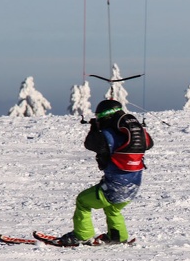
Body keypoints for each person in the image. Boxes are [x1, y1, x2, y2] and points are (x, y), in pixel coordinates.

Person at [58, 99, 154, 246]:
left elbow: (90, 143)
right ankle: (118, 237)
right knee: (113, 209)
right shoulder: (131, 134)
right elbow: (149, 143)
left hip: (115, 188)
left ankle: (82, 235)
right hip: (133, 187)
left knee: (83, 201)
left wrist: (94, 129)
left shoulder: (108, 134)